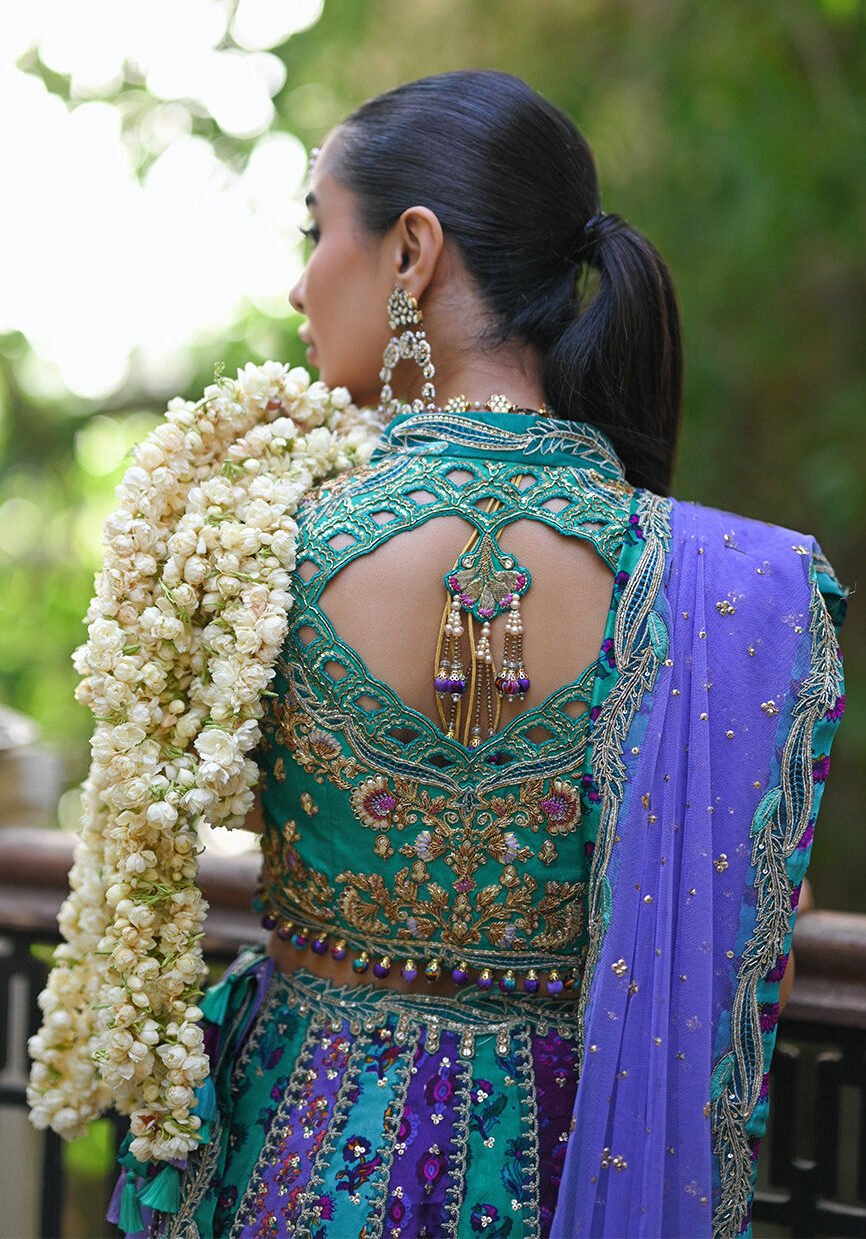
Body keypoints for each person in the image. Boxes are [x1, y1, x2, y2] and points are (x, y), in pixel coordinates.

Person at [114, 70, 845, 1237]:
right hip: (572, 1172)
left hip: (296, 1160)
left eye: (316, 230)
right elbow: (750, 943)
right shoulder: (726, 592)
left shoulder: (248, 536)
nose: (301, 284)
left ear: (412, 252)